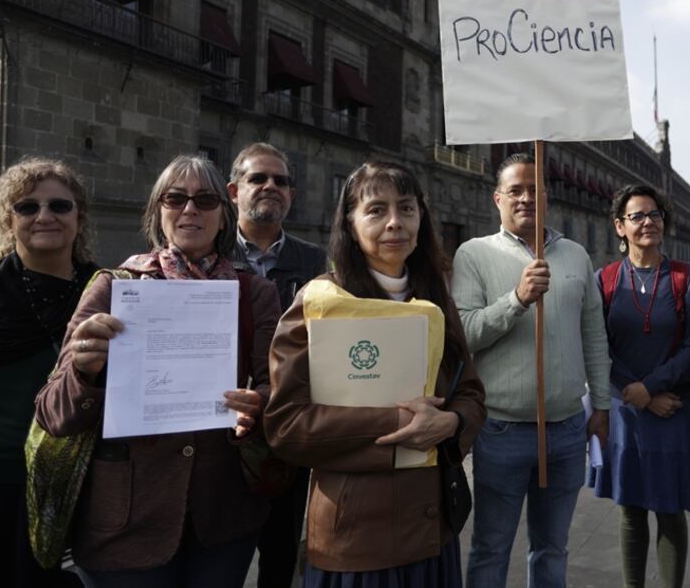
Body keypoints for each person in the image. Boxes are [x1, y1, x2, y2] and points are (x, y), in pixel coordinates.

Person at [33, 155, 281, 587]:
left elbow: (276, 393)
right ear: (158, 211)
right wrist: (84, 372)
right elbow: (53, 414)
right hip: (123, 523)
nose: (190, 209)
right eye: (175, 198)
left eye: (205, 200)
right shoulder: (113, 287)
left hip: (222, 520)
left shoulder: (255, 294)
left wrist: (259, 408)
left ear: (224, 217)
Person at [265, 160, 485, 587]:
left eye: (406, 208)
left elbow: (472, 393)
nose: (394, 223)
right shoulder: (320, 303)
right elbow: (287, 425)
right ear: (349, 222)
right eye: (376, 210)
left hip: (430, 528)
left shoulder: (437, 300)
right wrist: (399, 425)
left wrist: (451, 421)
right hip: (353, 535)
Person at [452, 152, 611, 588]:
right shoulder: (474, 254)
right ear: (497, 198)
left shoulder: (576, 256)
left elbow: (594, 335)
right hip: (502, 430)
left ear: (547, 197)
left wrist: (600, 405)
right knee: (491, 546)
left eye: (534, 189)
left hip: (565, 430)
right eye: (515, 190)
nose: (525, 198)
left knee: (552, 546)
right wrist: (516, 300)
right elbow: (464, 333)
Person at [0, 158, 97, 588]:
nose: (44, 216)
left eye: (59, 205)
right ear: (8, 218)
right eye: (27, 207)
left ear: (79, 217)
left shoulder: (107, 292)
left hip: (76, 489)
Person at [587, 184, 690, 588]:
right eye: (637, 216)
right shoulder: (603, 280)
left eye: (655, 214)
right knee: (631, 509)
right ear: (619, 226)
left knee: (670, 510)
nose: (648, 223)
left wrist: (653, 387)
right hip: (627, 412)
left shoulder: (687, 278)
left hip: (674, 407)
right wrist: (633, 391)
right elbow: (596, 343)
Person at [227, 142, 324, 588]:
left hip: (289, 427)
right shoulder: (207, 255)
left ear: (292, 195)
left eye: (281, 180)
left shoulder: (317, 262)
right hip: (220, 431)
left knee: (281, 551)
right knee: (219, 550)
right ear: (233, 191)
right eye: (257, 178)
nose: (270, 186)